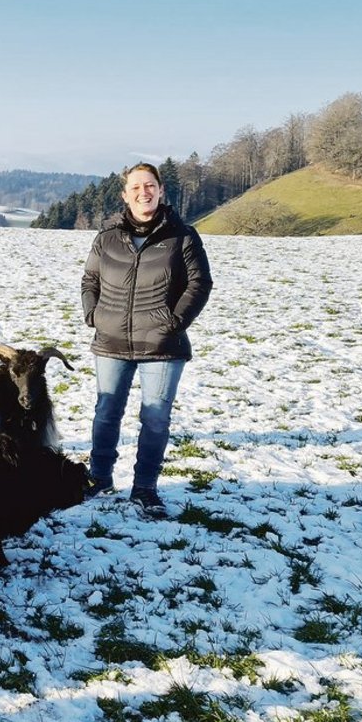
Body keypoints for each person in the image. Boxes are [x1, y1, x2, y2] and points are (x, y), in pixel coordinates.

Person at [81, 162, 213, 520]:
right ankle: (98, 477)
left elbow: (199, 284)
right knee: (106, 413)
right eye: (136, 187)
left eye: (150, 185)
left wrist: (174, 322)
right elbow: (90, 280)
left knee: (155, 418)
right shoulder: (107, 238)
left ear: (160, 190)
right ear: (125, 195)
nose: (144, 192)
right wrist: (93, 314)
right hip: (111, 341)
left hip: (162, 345)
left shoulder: (182, 236)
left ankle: (145, 489)